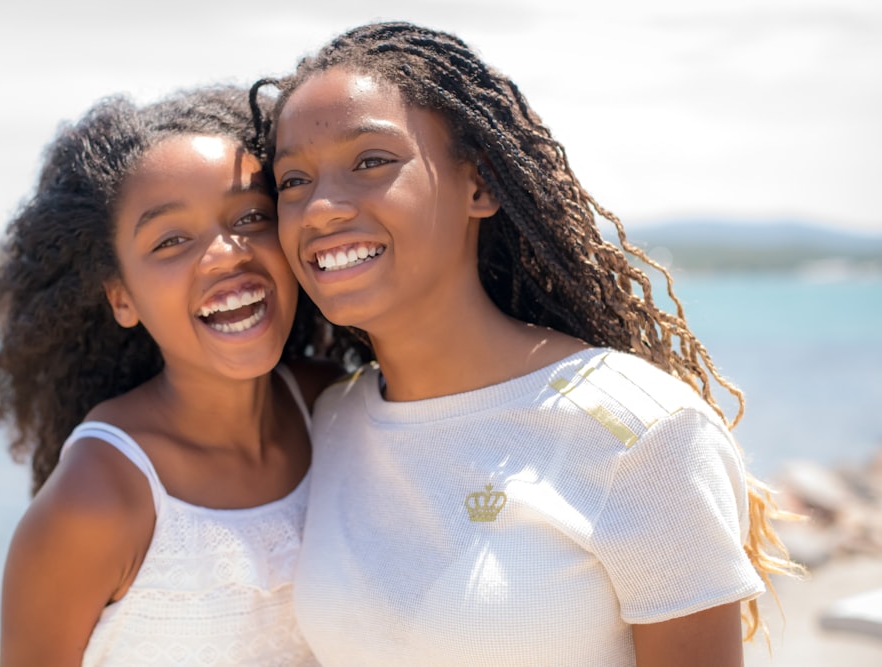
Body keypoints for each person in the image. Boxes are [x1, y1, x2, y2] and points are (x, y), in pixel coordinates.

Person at [252, 21, 803, 666]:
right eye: (293, 181)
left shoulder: (641, 432)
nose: (320, 208)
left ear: (479, 185)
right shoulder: (331, 420)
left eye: (372, 161)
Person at [0, 85, 359, 666]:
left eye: (251, 216)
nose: (227, 253)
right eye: (171, 240)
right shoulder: (97, 499)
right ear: (122, 298)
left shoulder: (332, 406)